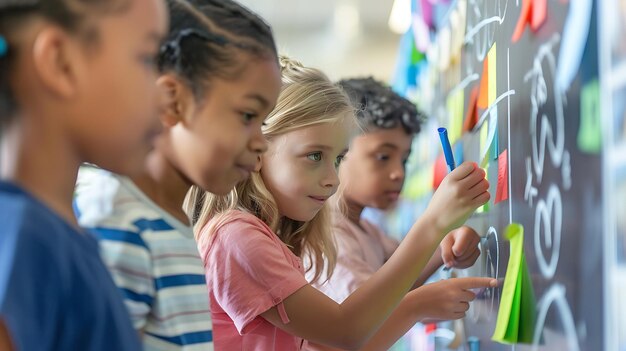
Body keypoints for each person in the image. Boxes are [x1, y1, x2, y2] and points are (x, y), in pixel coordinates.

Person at [193, 57, 495, 350]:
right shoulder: (235, 237)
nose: (333, 180)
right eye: (314, 156)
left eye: (337, 159)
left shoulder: (272, 236)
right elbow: (346, 332)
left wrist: (440, 244)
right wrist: (433, 225)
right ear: (255, 150)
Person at [73, 0, 281, 349]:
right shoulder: (117, 218)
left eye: (263, 122)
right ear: (173, 102)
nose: (261, 143)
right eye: (248, 115)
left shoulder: (170, 220)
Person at [0, 0, 168, 349]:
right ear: (61, 63)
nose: (165, 100)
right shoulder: (23, 239)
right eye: (148, 58)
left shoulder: (55, 235)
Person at [308, 77, 491, 350]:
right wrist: (436, 225)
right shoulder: (330, 238)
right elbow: (367, 323)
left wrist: (444, 250)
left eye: (404, 159)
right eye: (383, 157)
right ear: (339, 153)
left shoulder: (367, 231)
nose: (398, 173)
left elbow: (399, 280)